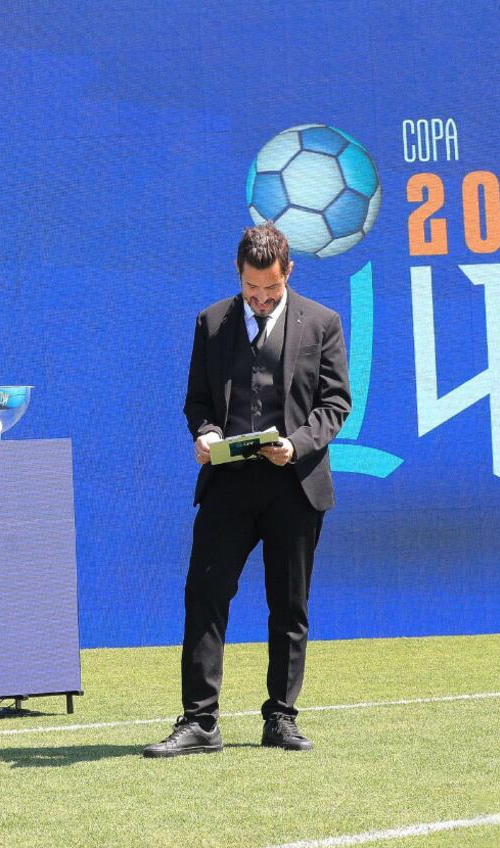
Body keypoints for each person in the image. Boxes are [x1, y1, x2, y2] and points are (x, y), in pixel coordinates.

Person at [143, 223, 350, 758]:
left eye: (270, 290)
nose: (259, 300)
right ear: (239, 274)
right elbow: (197, 400)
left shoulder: (323, 323)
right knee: (205, 596)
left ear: (288, 274)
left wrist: (298, 444)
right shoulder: (212, 321)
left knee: (289, 606)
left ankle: (281, 717)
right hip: (228, 486)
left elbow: (335, 405)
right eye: (251, 290)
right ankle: (199, 721)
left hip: (294, 485)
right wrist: (206, 432)